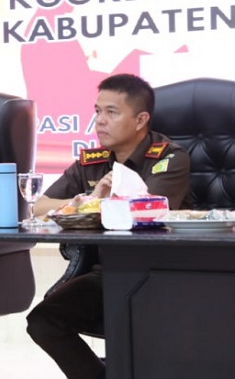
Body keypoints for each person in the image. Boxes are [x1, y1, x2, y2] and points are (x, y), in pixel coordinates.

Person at [26, 73, 190, 379]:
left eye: (111, 112)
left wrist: (95, 204)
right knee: (43, 320)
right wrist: (89, 198)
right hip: (108, 272)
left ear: (141, 120)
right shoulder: (93, 161)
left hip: (163, 275)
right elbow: (40, 206)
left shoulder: (169, 158)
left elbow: (145, 211)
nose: (100, 121)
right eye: (97, 111)